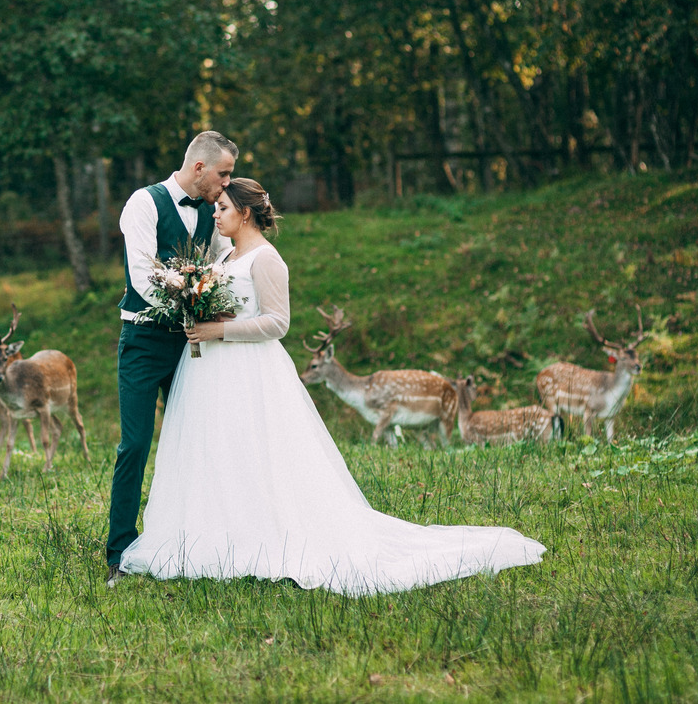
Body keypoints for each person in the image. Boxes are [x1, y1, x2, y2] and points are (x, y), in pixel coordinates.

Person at [116, 178, 546, 596]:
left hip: (248, 371)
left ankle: (262, 535)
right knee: (220, 453)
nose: (215, 214)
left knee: (255, 452)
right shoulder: (226, 255)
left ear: (245, 213)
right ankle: (216, 531)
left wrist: (218, 331)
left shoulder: (266, 259)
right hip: (212, 372)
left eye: (223, 208)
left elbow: (278, 323)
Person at [107, 131, 238, 586]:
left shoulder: (213, 212)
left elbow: (225, 262)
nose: (227, 183)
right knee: (135, 444)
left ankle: (199, 542)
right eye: (223, 174)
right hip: (144, 341)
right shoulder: (143, 204)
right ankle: (119, 552)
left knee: (199, 440)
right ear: (199, 167)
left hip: (192, 340)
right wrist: (187, 303)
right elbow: (143, 275)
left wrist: (216, 301)